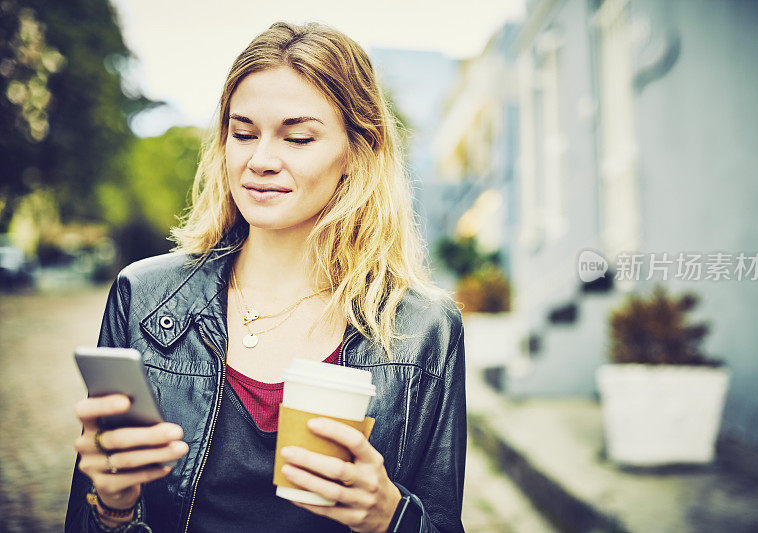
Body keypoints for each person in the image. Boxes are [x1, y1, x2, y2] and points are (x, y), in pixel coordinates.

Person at [65, 21, 466, 533]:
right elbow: (85, 519)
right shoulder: (143, 299)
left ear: (357, 151)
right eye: (243, 133)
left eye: (297, 138)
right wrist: (113, 506)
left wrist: (392, 517)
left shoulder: (424, 329)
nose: (260, 161)